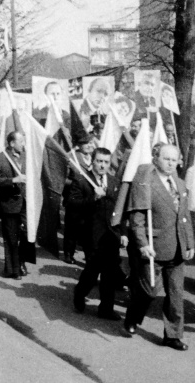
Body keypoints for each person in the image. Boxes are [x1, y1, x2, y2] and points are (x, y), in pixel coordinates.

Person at [123, 144, 195, 351]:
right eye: (166, 159)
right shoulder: (146, 183)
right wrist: (143, 244)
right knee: (149, 291)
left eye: (174, 159)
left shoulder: (180, 184)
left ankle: (173, 335)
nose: (171, 163)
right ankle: (132, 317)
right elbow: (136, 218)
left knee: (175, 294)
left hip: (177, 247)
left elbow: (185, 217)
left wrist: (189, 242)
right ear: (156, 158)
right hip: (153, 248)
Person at [71, 148, 127, 320]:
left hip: (111, 235)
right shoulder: (81, 180)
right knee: (92, 270)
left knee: (109, 272)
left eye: (106, 162)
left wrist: (123, 233)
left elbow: (120, 210)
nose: (102, 165)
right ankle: (80, 293)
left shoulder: (114, 182)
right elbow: (73, 205)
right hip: (92, 235)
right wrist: (93, 198)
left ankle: (106, 309)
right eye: (99, 161)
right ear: (92, 161)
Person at [0, 131, 27, 279]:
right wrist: (13, 180)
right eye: (21, 142)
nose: (24, 144)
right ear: (12, 144)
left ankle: (21, 261)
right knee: (11, 238)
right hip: (9, 204)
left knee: (27, 235)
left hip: (25, 203)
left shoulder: (26, 157)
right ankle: (13, 270)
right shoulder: (0, 158)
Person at [63, 135, 95, 264]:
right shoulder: (71, 157)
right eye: (85, 143)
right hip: (74, 197)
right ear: (78, 145)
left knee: (89, 228)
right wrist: (77, 183)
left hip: (90, 198)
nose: (89, 145)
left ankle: (89, 256)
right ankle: (68, 253)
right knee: (72, 227)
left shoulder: (95, 158)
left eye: (91, 143)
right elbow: (63, 178)